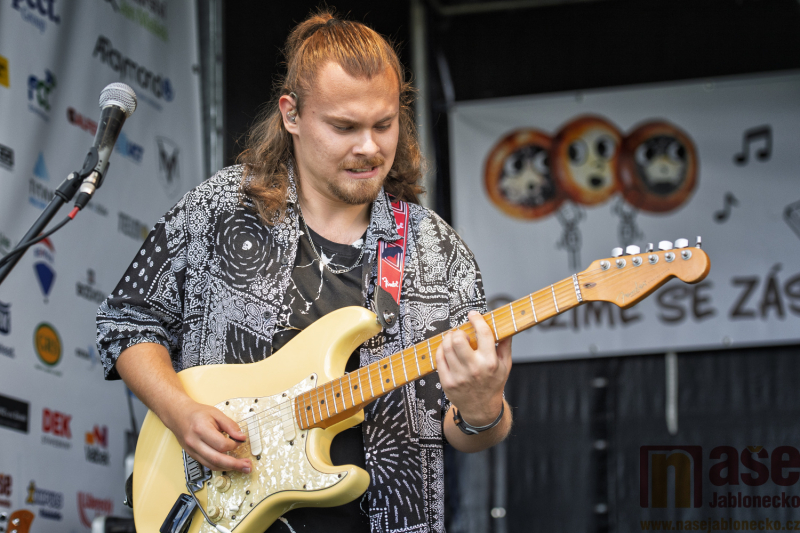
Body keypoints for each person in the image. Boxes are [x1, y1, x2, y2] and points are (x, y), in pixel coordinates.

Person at [97, 9, 512, 533]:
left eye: (384, 124)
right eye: (344, 127)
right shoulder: (220, 209)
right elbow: (127, 322)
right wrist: (180, 412)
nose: (369, 147)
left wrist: (482, 406)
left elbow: (468, 432)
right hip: (213, 510)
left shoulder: (438, 252)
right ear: (291, 114)